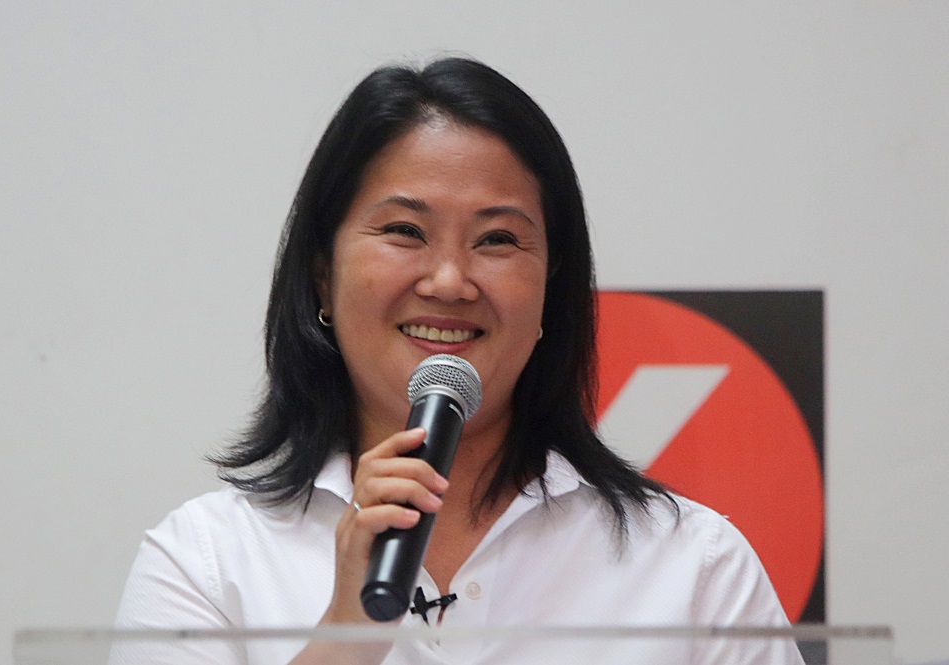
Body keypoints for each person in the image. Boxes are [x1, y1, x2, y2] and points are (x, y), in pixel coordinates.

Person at [113, 57, 805, 664]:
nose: (449, 281)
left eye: (497, 239)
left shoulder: (692, 564)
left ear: (550, 289)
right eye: (405, 231)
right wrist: (344, 637)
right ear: (323, 273)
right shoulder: (206, 561)